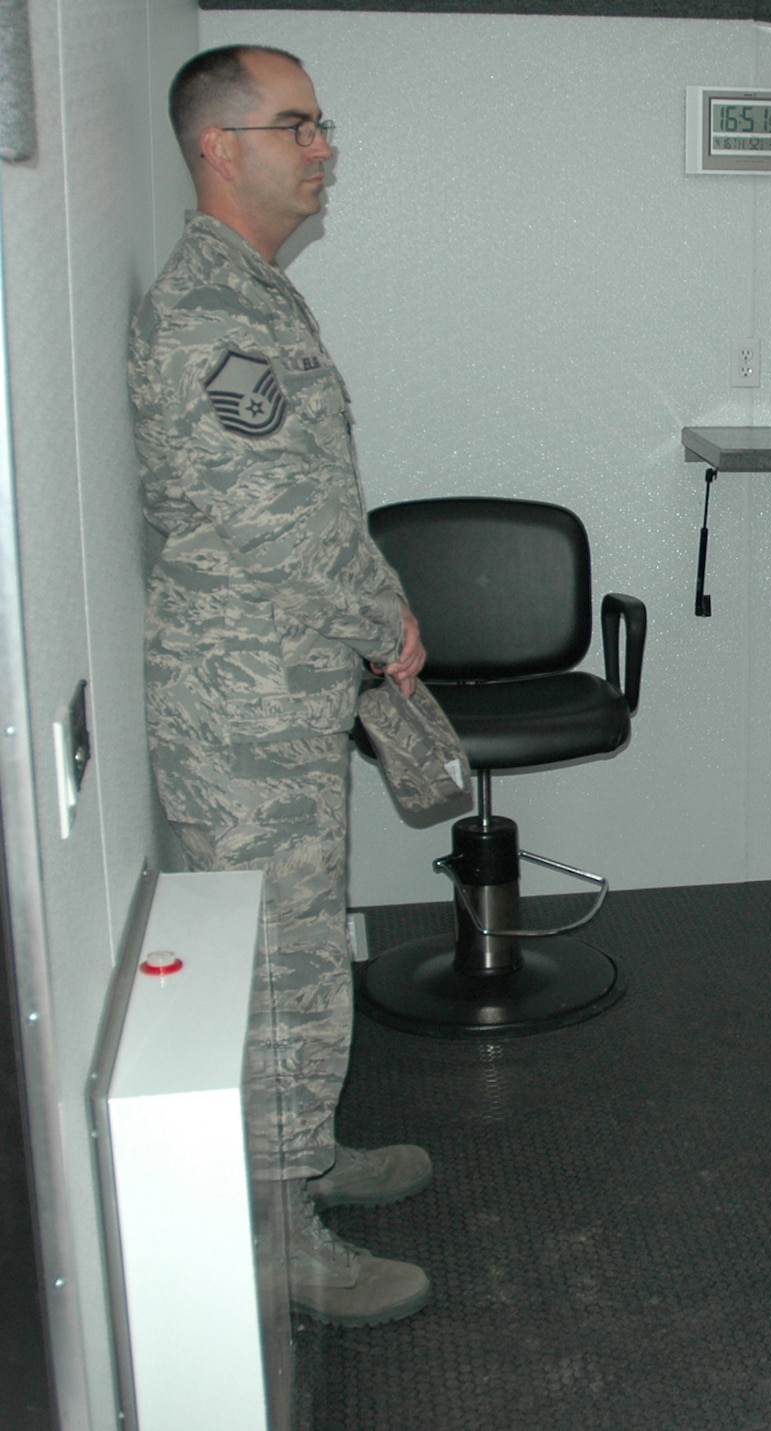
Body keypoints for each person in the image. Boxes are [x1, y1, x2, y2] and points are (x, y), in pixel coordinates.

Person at [131, 45, 434, 1327]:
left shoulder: (251, 293)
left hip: (277, 684)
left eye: (322, 125)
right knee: (272, 966)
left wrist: (369, 615)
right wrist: (384, 616)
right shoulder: (209, 313)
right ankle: (275, 1236)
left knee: (303, 947)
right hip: (241, 703)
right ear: (218, 146)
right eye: (295, 125)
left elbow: (305, 492)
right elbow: (273, 515)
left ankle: (304, 1154)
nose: (321, 148)